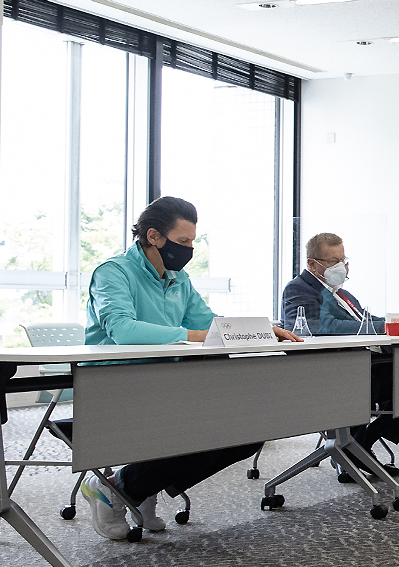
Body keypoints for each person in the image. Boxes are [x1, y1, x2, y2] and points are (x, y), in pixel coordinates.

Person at [76, 197, 302, 540]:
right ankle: (120, 488)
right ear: (154, 236)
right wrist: (194, 335)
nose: (189, 250)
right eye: (183, 241)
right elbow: (122, 329)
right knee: (208, 423)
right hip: (115, 382)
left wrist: (262, 330)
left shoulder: (178, 279)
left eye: (192, 241)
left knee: (246, 431)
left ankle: (133, 485)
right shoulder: (113, 272)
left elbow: (208, 322)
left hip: (170, 380)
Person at [282, 233, 399, 481]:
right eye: (332, 261)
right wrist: (387, 328)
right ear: (312, 264)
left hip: (363, 362)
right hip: (328, 367)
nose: (341, 266)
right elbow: (320, 326)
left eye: (343, 259)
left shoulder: (343, 294)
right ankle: (353, 450)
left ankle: (360, 445)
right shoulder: (299, 289)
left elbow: (365, 321)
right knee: (367, 385)